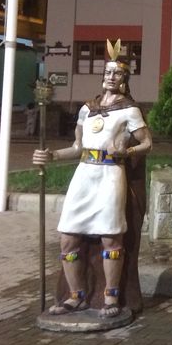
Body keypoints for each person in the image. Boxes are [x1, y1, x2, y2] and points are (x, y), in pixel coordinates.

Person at [33, 41, 152, 318]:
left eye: (117, 73)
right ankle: (76, 296)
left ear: (125, 80)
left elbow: (147, 143)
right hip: (84, 174)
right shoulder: (87, 109)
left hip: (111, 175)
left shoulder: (130, 110)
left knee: (111, 237)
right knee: (67, 238)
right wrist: (50, 155)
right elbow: (77, 148)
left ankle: (111, 297)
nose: (111, 76)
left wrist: (127, 150)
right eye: (108, 72)